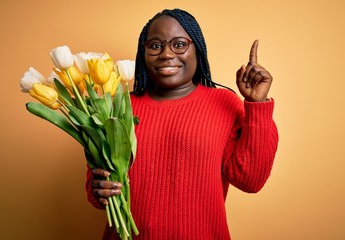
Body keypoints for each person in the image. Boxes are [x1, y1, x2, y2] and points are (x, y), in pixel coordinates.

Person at [86, 8, 278, 240]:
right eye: (155, 45)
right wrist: (98, 190)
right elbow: (97, 185)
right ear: (143, 52)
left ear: (197, 49)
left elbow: (251, 180)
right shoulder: (118, 106)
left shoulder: (223, 103)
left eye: (179, 44)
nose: (166, 54)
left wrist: (257, 105)